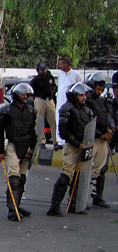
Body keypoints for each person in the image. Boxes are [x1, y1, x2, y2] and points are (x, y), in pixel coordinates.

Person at [46, 82, 95, 216]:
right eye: (80, 95)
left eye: (84, 95)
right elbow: (63, 132)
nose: (83, 98)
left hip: (84, 146)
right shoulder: (66, 109)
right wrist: (78, 144)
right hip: (73, 147)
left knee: (80, 176)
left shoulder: (86, 110)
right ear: (74, 96)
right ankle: (54, 207)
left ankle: (74, 204)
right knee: (66, 175)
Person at [0, 83, 37, 221]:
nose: (25, 96)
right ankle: (12, 210)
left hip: (26, 146)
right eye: (22, 94)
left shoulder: (31, 110)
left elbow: (33, 130)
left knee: (22, 178)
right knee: (14, 178)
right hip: (13, 145)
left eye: (26, 94)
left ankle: (17, 205)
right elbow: (0, 131)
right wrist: (0, 150)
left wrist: (32, 148)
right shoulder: (6, 111)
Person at [85, 73, 115, 208]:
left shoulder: (103, 102)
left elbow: (108, 116)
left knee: (101, 169)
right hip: (91, 139)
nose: (100, 90)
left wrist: (111, 127)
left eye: (102, 88)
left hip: (103, 138)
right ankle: (76, 198)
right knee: (84, 169)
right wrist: (100, 134)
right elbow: (87, 122)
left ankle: (97, 196)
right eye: (98, 87)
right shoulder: (87, 102)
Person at [54, 58, 84, 150]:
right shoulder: (60, 75)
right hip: (60, 102)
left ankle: (67, 141)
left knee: (68, 122)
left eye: (61, 64)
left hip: (70, 103)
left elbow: (80, 88)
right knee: (58, 120)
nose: (59, 66)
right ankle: (60, 142)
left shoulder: (76, 75)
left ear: (66, 64)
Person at [30, 62, 57, 149]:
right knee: (40, 121)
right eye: (42, 70)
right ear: (38, 71)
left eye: (44, 69)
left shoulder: (50, 77)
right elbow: (31, 93)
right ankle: (42, 141)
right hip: (40, 100)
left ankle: (55, 141)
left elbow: (54, 87)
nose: (44, 71)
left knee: (53, 121)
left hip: (50, 100)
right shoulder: (34, 81)